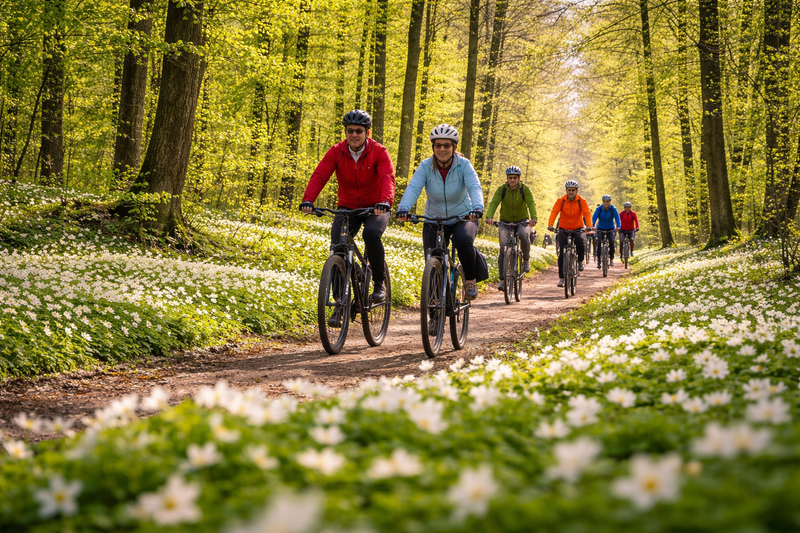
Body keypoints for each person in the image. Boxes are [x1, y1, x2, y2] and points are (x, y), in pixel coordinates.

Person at [299, 109, 395, 304]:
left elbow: (387, 177)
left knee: (371, 234)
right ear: (345, 132)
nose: (354, 135)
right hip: (347, 207)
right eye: (350, 130)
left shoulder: (379, 152)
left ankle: (378, 282)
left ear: (367, 133)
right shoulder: (337, 151)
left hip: (376, 207)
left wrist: (385, 201)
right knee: (338, 249)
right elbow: (320, 175)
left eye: (358, 131)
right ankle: (338, 302)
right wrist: (308, 200)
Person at [396, 124, 484, 301]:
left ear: (454, 147)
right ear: (433, 147)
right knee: (432, 255)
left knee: (463, 240)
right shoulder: (426, 166)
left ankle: (471, 280)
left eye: (447, 145)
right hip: (434, 218)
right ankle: (435, 307)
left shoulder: (464, 165)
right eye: (438, 145)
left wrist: (477, 207)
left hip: (463, 216)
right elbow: (414, 187)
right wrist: (403, 208)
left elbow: (474, 186)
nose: (442, 149)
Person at [485, 165, 538, 291]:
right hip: (505, 221)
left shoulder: (525, 189)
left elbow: (531, 203)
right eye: (510, 178)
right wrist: (489, 217)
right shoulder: (502, 189)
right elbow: (494, 203)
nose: (512, 180)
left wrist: (533, 218)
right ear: (507, 178)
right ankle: (502, 280)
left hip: (522, 220)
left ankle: (525, 260)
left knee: (524, 235)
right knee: (503, 245)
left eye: (515, 177)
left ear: (519, 178)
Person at [547, 180, 592, 288]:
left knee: (580, 241)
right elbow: (554, 212)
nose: (571, 192)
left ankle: (580, 261)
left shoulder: (582, 201)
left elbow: (587, 213)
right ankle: (562, 278)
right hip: (563, 228)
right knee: (562, 253)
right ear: (566, 190)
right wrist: (551, 224)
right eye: (569, 190)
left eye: (573, 190)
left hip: (578, 227)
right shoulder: (561, 200)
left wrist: (589, 226)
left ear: (577, 191)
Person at [592, 194, 621, 267]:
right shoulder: (599, 209)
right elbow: (594, 217)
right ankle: (599, 260)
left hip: (610, 228)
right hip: (600, 228)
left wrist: (618, 226)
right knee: (599, 243)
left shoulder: (613, 209)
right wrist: (592, 226)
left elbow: (617, 218)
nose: (606, 203)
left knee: (611, 241)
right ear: (602, 202)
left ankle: (611, 259)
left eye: (607, 201)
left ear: (610, 202)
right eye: (604, 202)